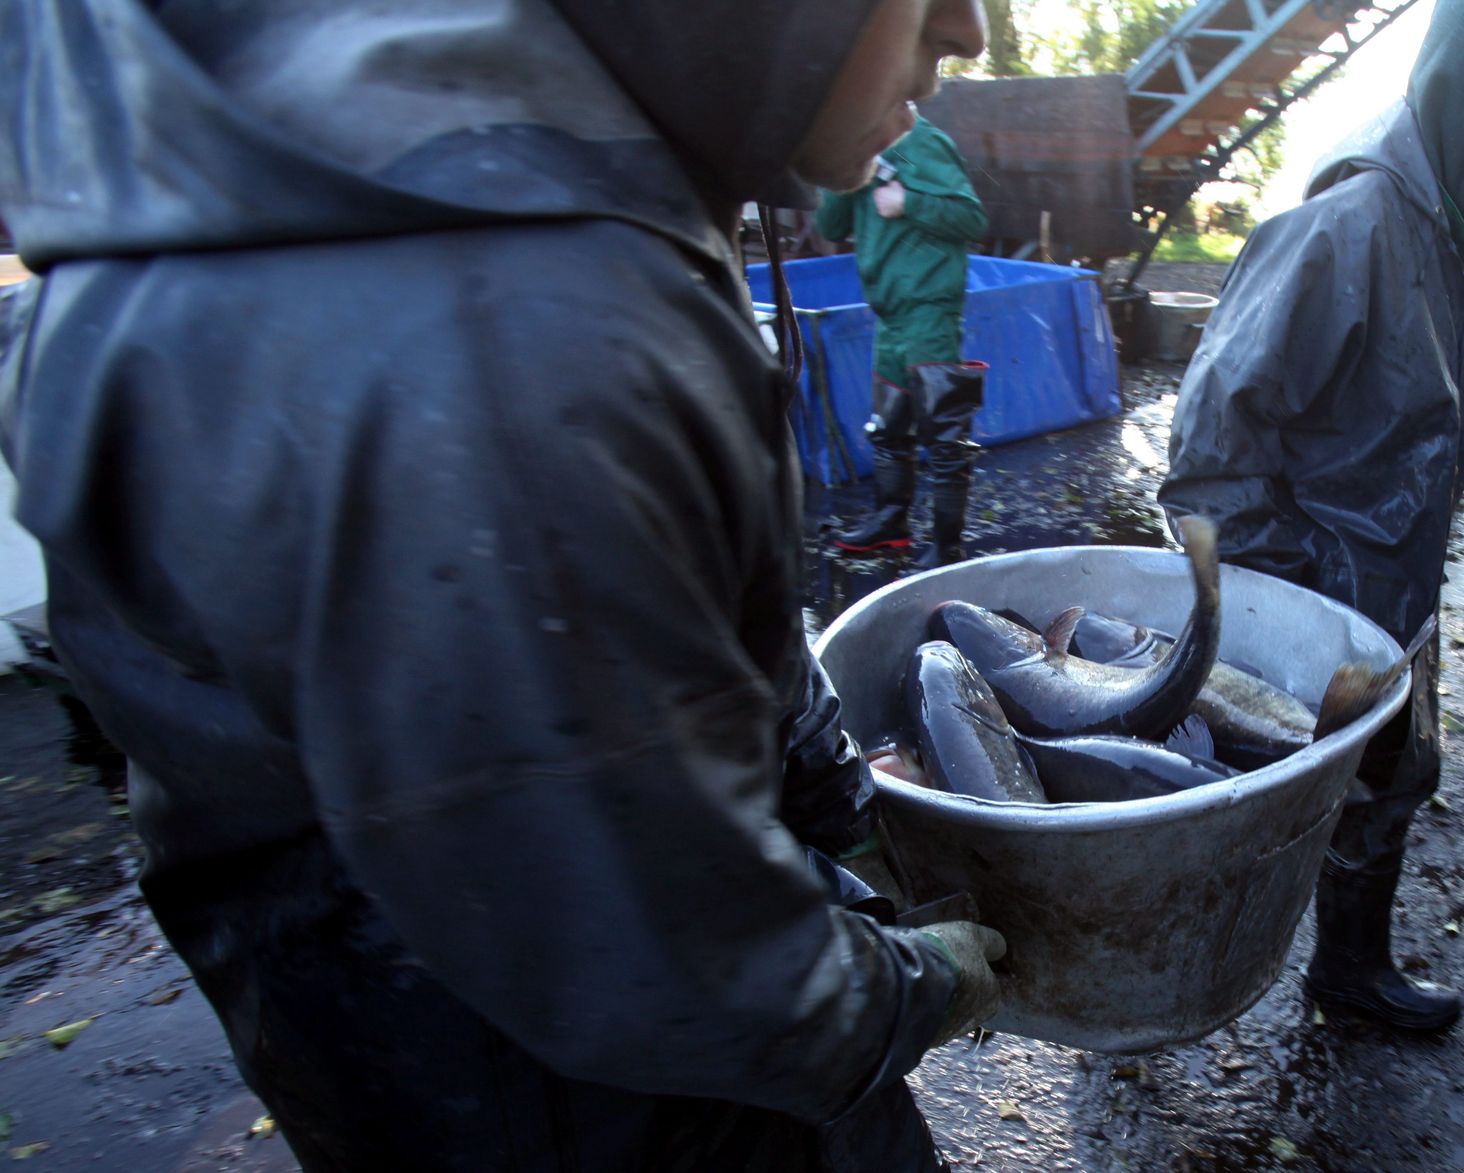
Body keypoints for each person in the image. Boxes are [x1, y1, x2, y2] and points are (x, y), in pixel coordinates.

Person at [0, 1, 1006, 1169]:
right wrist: (906, 991)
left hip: (433, 1049)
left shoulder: (527, 172)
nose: (966, 32)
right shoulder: (504, 317)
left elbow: (676, 622)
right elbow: (642, 954)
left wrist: (833, 792)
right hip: (573, 1106)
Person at [1159, 0, 1464, 1032]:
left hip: (1399, 611)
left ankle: (1349, 973)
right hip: (1305, 609)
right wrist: (1290, 610)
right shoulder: (1343, 233)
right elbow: (1211, 458)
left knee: (1396, 777)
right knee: (1240, 798)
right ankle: (1150, 984)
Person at [819, 115, 988, 568]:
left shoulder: (924, 142)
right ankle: (892, 523)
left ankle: (946, 548)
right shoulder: (859, 148)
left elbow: (971, 217)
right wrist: (844, 170)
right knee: (890, 425)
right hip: (888, 312)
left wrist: (907, 201)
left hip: (929, 307)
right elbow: (832, 225)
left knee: (945, 430)